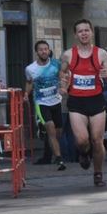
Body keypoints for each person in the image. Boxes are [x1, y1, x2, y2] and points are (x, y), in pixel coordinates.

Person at [57, 19, 107, 187]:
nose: (83, 33)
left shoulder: (101, 54)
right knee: (82, 140)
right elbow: (62, 72)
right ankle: (84, 153)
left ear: (91, 32)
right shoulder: (68, 55)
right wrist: (64, 81)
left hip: (96, 101)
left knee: (97, 140)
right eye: (80, 31)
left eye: (86, 30)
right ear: (75, 35)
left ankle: (98, 173)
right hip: (77, 102)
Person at [24, 39, 65, 170]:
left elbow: (65, 76)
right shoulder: (30, 69)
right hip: (41, 102)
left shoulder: (56, 64)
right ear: (37, 52)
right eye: (41, 49)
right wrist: (26, 94)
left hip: (56, 101)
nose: (43, 51)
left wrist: (64, 86)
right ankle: (59, 159)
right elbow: (29, 82)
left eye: (45, 49)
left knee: (58, 133)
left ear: (49, 51)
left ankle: (42, 128)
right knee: (51, 130)